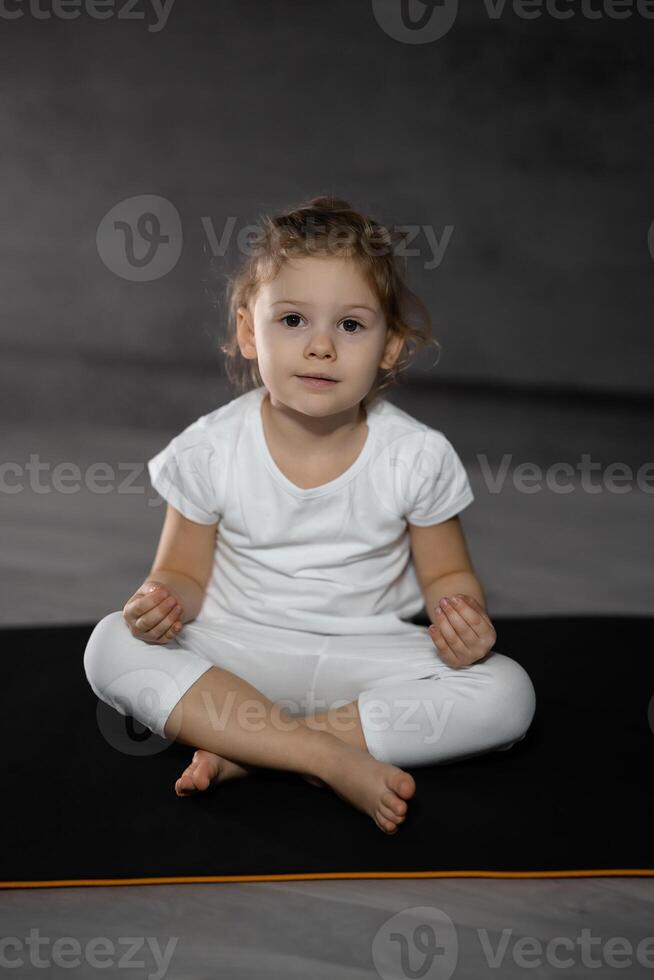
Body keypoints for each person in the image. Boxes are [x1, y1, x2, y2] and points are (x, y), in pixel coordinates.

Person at [83, 195, 536, 836]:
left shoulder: (416, 454)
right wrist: (160, 604)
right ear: (249, 331)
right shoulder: (210, 449)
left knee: (508, 693)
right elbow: (181, 573)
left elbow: (447, 577)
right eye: (293, 319)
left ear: (390, 346)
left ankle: (254, 749)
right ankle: (323, 757)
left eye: (351, 326)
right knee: (111, 645)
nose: (321, 346)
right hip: (244, 650)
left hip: (367, 653)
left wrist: (465, 622)